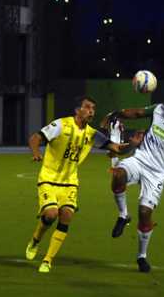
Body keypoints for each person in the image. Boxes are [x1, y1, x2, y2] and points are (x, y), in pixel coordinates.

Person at [24, 96, 134, 273]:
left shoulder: (91, 134)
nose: (91, 111)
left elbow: (116, 148)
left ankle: (47, 260)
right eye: (87, 107)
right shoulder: (61, 125)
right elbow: (35, 138)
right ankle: (36, 240)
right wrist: (36, 152)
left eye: (93, 108)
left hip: (70, 183)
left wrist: (134, 143)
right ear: (78, 110)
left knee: (66, 215)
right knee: (51, 214)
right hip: (49, 179)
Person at [102, 85, 164, 273]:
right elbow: (137, 112)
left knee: (145, 212)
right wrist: (117, 113)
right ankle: (123, 215)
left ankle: (141, 256)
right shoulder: (158, 109)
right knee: (118, 174)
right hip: (140, 159)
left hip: (158, 173)